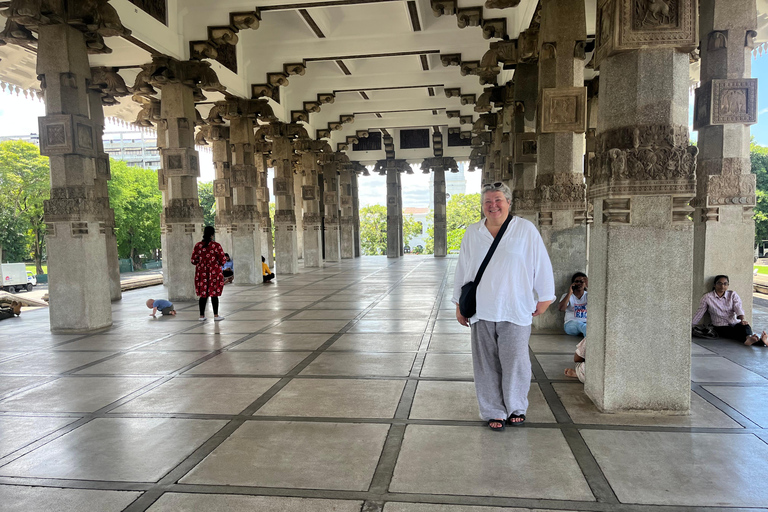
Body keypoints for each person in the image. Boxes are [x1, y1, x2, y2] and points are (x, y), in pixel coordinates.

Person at [453, 181, 555, 431]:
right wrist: (458, 303)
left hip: (515, 306)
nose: (493, 205)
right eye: (488, 202)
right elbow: (462, 270)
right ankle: (493, 410)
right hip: (482, 309)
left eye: (498, 200)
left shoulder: (525, 230)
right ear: (483, 206)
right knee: (485, 363)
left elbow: (540, 263)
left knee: (516, 361)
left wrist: (545, 296)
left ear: (509, 203)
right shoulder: (473, 233)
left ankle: (516, 406)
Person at [692, 275, 767, 346]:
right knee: (734, 333)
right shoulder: (707, 297)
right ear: (714, 285)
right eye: (719, 283)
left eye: (725, 284)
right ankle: (760, 342)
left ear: (728, 285)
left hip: (734, 322)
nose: (722, 286)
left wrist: (742, 319)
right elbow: (700, 312)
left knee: (745, 326)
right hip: (720, 326)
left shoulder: (732, 294)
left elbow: (738, 307)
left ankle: (749, 338)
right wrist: (690, 326)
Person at [191, 225, 226, 321]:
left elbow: (193, 260)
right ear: (212, 234)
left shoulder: (198, 246)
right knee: (214, 294)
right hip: (214, 273)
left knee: (203, 294)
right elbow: (223, 260)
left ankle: (201, 316)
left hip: (202, 273)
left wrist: (202, 264)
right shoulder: (216, 246)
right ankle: (216, 315)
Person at [559, 272, 587, 336]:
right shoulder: (567, 296)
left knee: (586, 326)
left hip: (586, 323)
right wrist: (570, 293)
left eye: (581, 282)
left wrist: (589, 287)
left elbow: (598, 304)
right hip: (571, 324)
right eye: (577, 281)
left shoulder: (588, 295)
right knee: (580, 325)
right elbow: (561, 309)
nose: (579, 283)